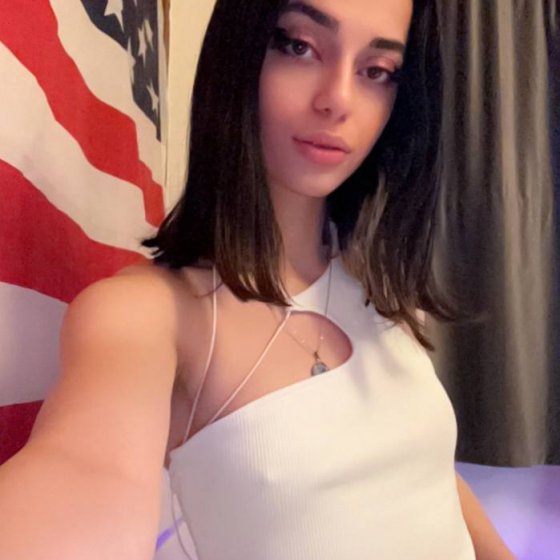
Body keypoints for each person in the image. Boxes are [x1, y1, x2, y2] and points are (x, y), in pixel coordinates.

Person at [0, 0, 516, 559]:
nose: (339, 99)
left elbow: (427, 475)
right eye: (299, 46)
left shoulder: (378, 283)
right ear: (239, 51)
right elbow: (83, 473)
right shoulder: (152, 315)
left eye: (377, 71)